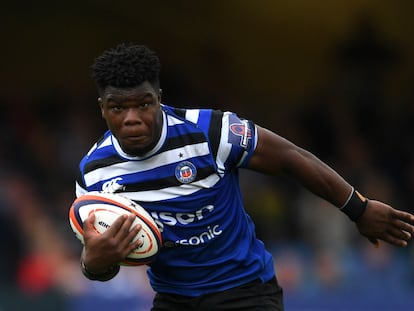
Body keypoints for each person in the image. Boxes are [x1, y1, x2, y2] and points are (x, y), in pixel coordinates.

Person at [75, 43, 414, 311]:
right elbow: (100, 264)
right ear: (102, 108)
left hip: (244, 292)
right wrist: (94, 263)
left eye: (144, 104)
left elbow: (289, 157)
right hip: (174, 299)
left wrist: (359, 208)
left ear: (160, 100)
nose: (132, 118)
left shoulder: (211, 131)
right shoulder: (93, 175)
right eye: (118, 108)